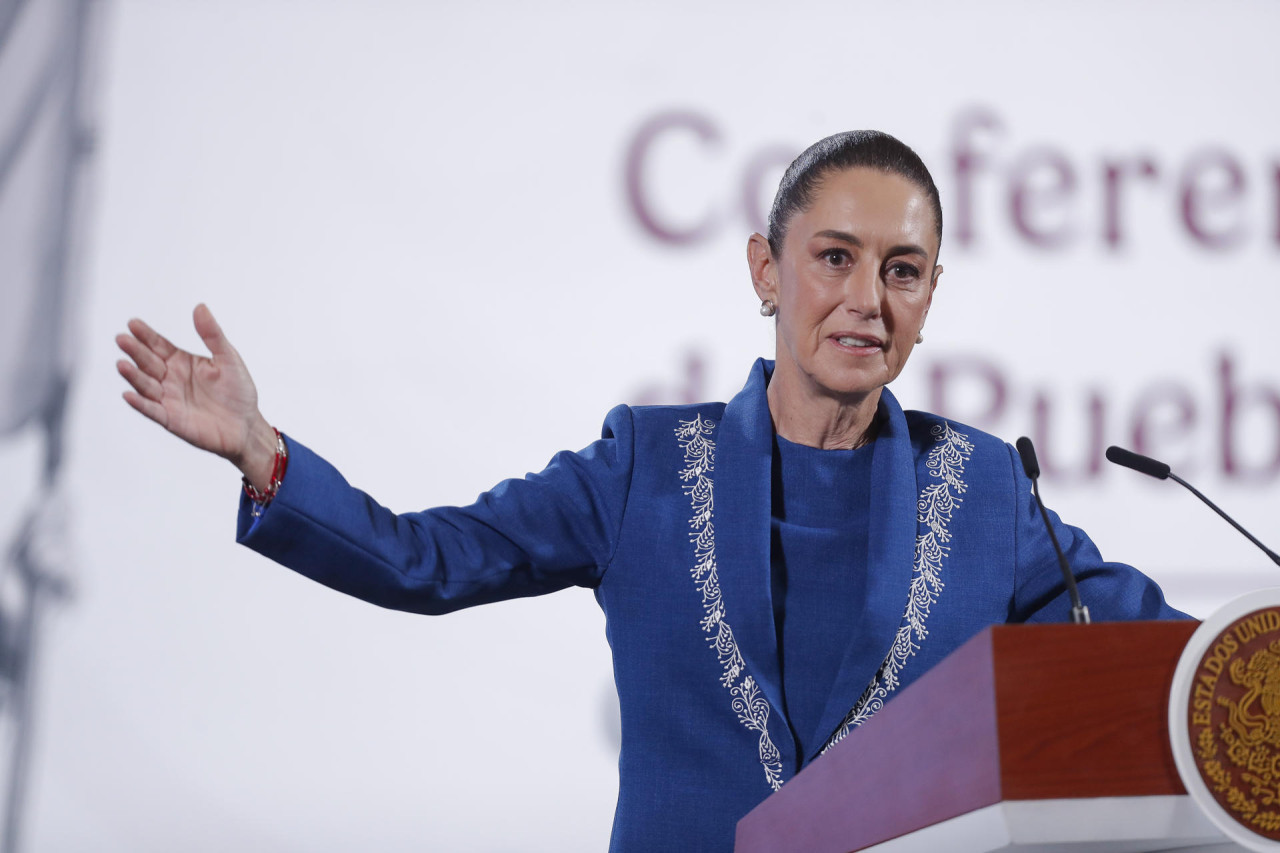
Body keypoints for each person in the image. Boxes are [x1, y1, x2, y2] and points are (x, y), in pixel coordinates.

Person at [116, 130, 1188, 852]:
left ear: (929, 296)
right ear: (765, 270)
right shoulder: (642, 467)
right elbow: (423, 557)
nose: (867, 299)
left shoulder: (988, 492)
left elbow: (1181, 660)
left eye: (901, 271)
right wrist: (264, 456)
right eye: (833, 257)